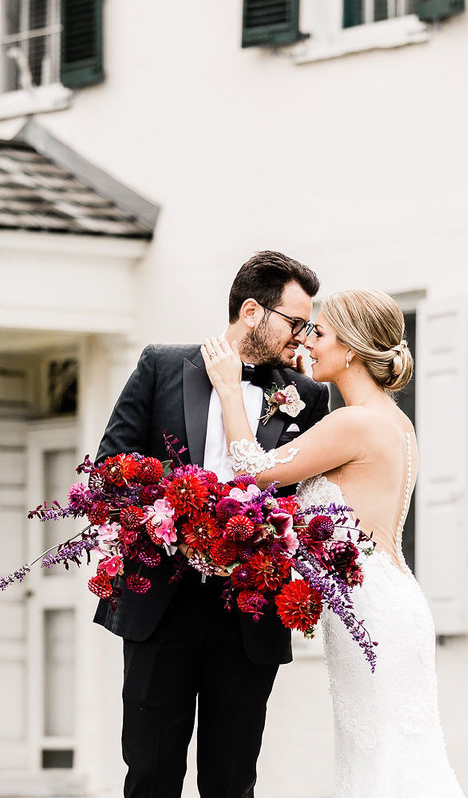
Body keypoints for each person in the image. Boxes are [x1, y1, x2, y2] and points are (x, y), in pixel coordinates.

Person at [201, 288, 466, 797]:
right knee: (393, 754)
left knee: (382, 760)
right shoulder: (394, 421)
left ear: (351, 349)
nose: (307, 342)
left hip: (370, 611)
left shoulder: (353, 423)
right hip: (392, 602)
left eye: (318, 333)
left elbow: (254, 472)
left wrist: (231, 390)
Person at [93, 250, 330, 798]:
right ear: (252, 312)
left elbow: (306, 501)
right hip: (163, 604)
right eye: (296, 323)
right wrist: (176, 510)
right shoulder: (161, 365)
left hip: (248, 613)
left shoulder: (307, 396)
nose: (303, 336)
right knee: (150, 774)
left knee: (231, 780)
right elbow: (111, 468)